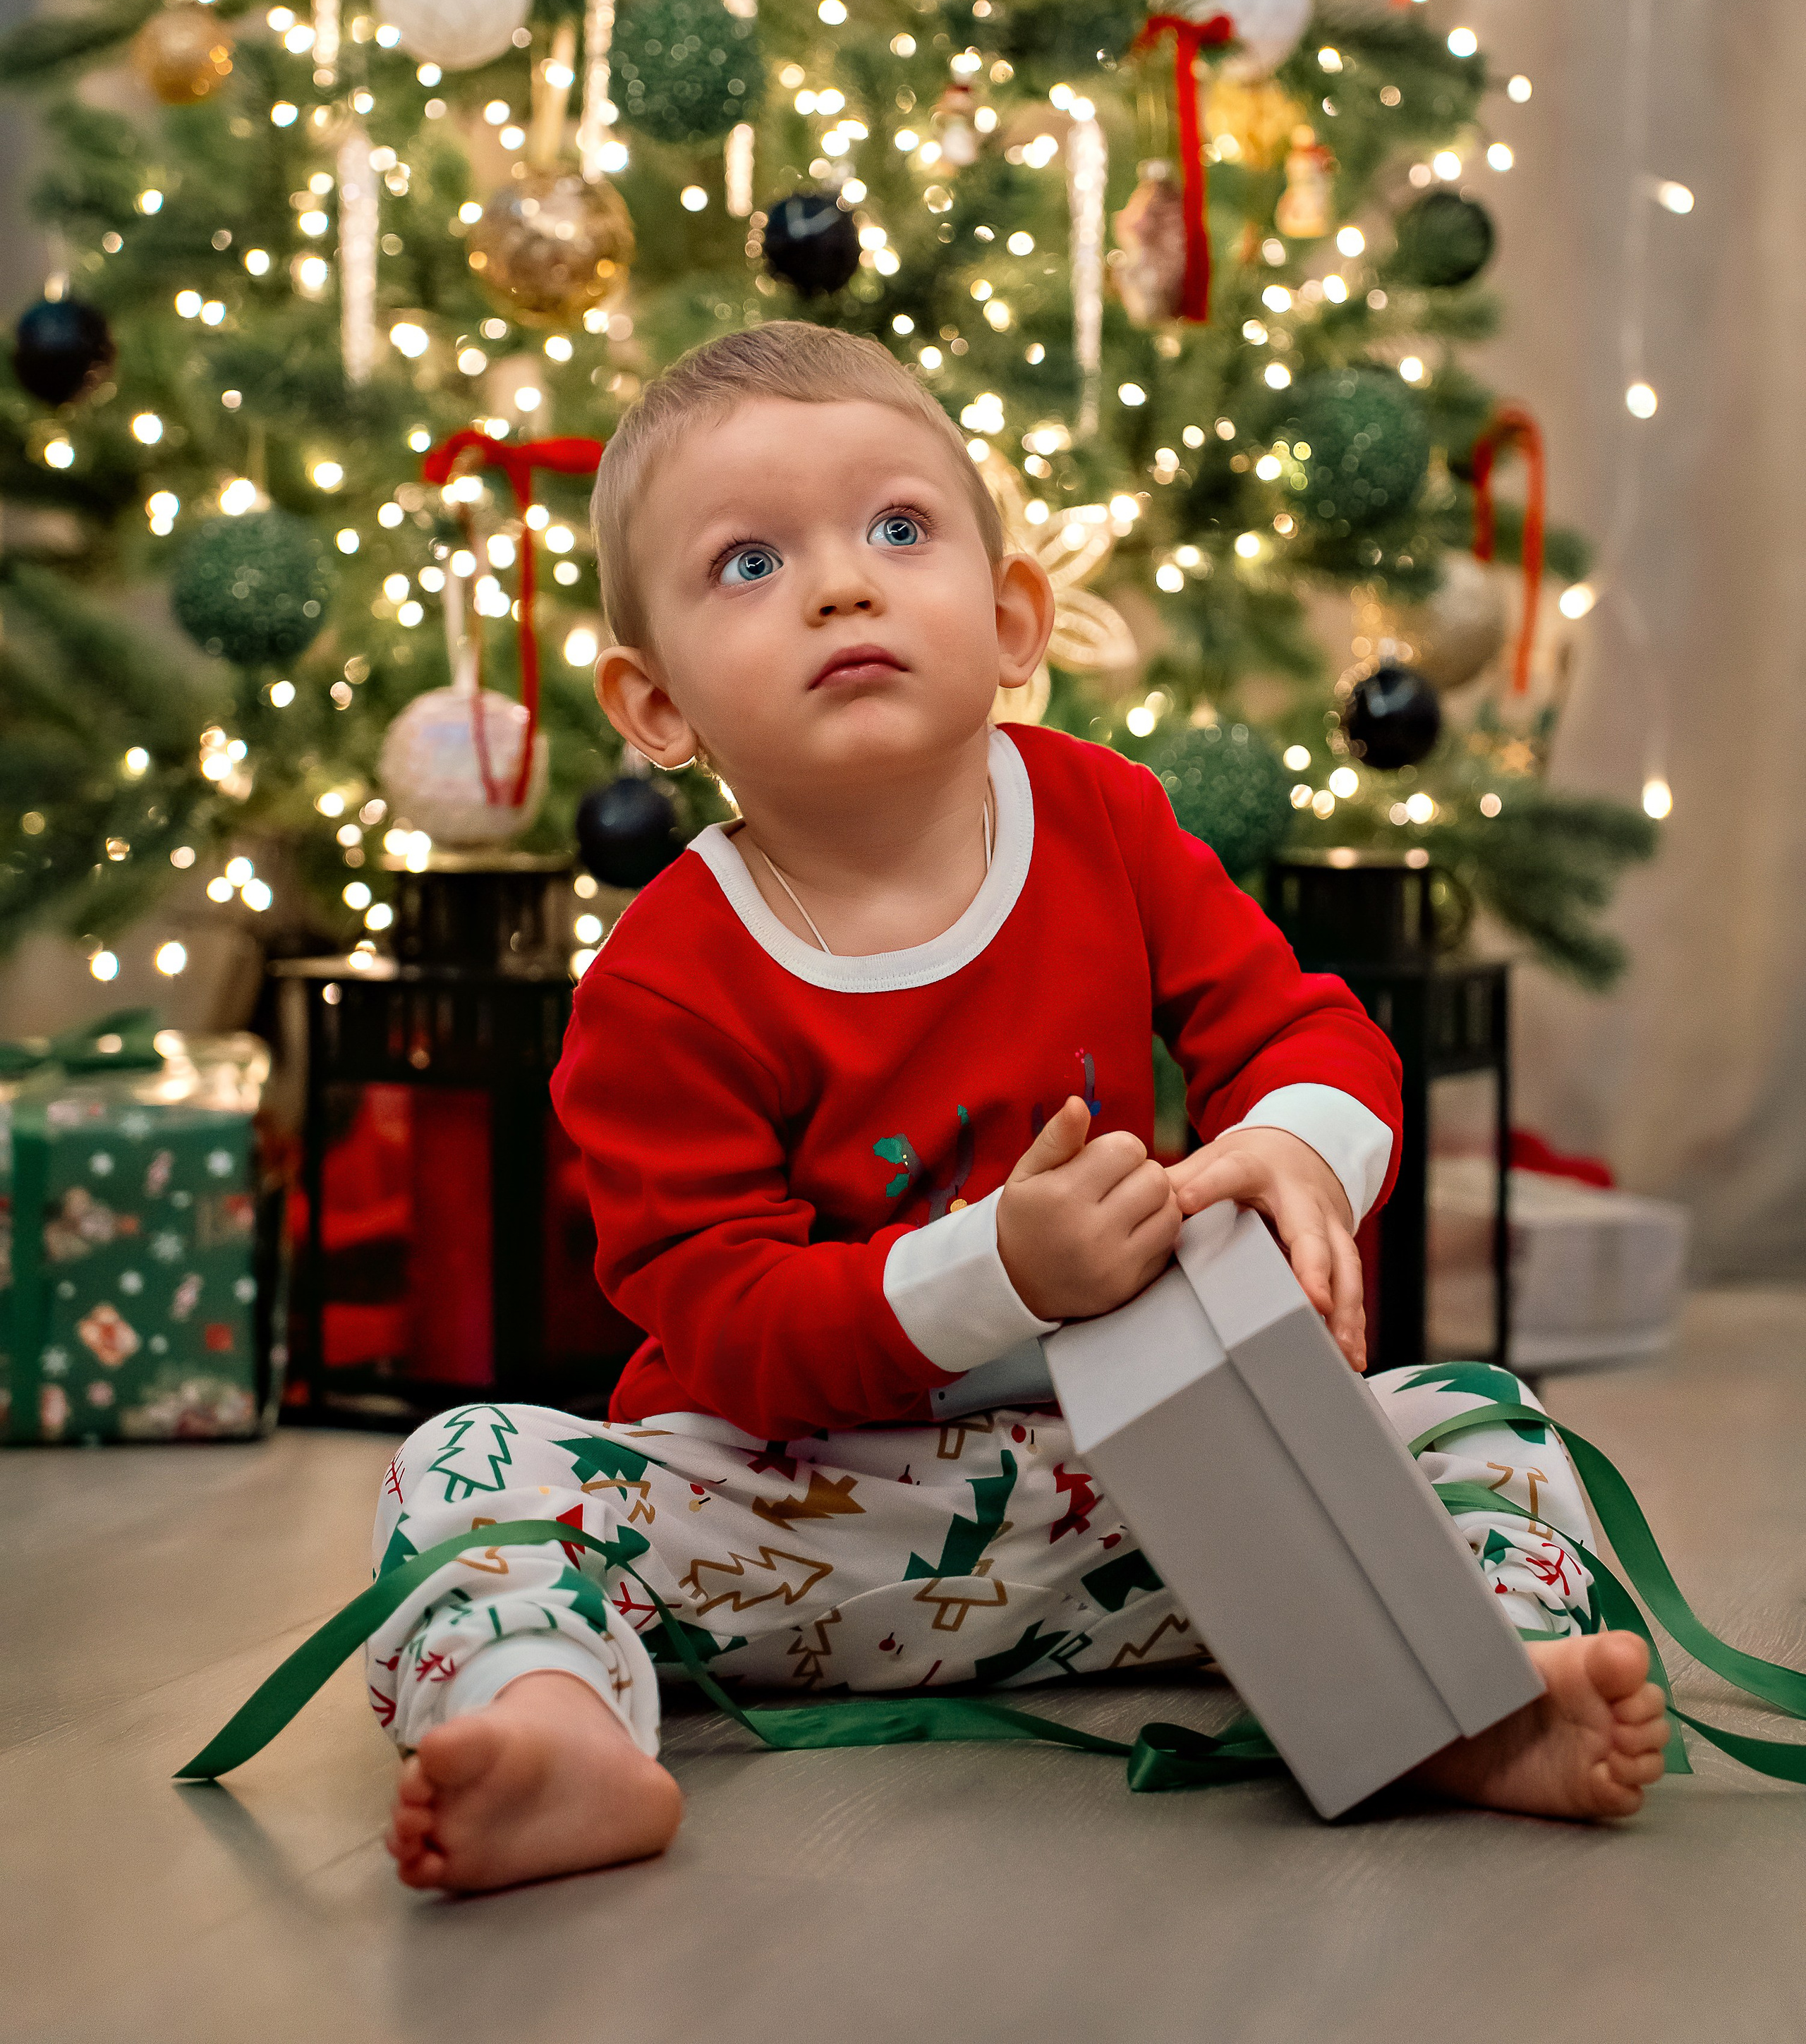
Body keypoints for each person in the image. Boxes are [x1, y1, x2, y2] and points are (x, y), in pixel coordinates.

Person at [377, 324, 1666, 1893]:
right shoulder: (663, 975)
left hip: (1155, 1500)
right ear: (655, 709)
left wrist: (1283, 1145)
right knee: (465, 1467)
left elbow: (1301, 1031)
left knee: (1477, 1420)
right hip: (794, 1529)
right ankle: (559, 1727)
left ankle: (1464, 1695)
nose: (841, 584)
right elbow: (717, 1315)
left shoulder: (1100, 822)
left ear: (1007, 620)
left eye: (897, 529)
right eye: (746, 561)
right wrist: (998, 1265)